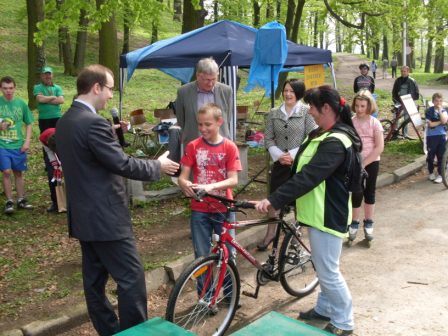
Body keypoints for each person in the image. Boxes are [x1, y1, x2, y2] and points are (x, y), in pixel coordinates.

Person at [55, 64, 179, 336]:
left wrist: (109, 135)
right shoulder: (93, 123)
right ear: (96, 87)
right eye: (110, 88)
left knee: (94, 282)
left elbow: (87, 159)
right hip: (106, 218)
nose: (111, 96)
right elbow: (122, 164)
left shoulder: (65, 121)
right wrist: (157, 166)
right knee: (131, 280)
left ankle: (109, 331)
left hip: (84, 218)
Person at [254, 86, 359, 335]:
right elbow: (300, 170)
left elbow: (310, 177)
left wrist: (275, 200)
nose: (309, 110)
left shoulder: (336, 141)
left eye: (312, 106)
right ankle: (324, 309)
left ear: (326, 108)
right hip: (315, 214)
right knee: (321, 266)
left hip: (328, 215)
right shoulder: (319, 134)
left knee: (329, 271)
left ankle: (344, 322)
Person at [257, 79, 316, 251]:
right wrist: (279, 155)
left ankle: (296, 237)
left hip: (299, 163)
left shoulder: (306, 112)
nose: (288, 94)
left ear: (298, 93)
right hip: (280, 163)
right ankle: (271, 233)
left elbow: (312, 136)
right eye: (286, 90)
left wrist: (292, 155)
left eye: (292, 91)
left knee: (298, 202)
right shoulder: (274, 113)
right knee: (274, 200)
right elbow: (268, 139)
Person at [178, 103, 241, 261]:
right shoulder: (193, 146)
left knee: (227, 255)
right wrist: (183, 183)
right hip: (200, 208)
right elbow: (182, 177)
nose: (203, 128)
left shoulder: (229, 147)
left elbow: (233, 180)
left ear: (219, 122)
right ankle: (205, 287)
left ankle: (229, 286)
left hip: (224, 207)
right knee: (201, 256)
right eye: (200, 124)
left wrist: (210, 186)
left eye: (208, 124)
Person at [348, 90, 384, 243]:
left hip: (372, 161)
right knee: (356, 191)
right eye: (357, 106)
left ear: (369, 106)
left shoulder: (374, 123)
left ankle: (368, 222)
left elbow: (379, 147)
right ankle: (354, 221)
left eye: (362, 106)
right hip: (355, 162)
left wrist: (365, 163)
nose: (359, 109)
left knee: (369, 191)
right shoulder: (351, 122)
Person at [176, 57, 233, 147]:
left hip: (220, 143)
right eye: (207, 80)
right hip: (194, 143)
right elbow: (181, 119)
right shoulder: (183, 92)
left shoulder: (226, 91)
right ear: (198, 75)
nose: (210, 83)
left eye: (214, 79)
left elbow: (228, 116)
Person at [0, 76, 34, 214]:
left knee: (18, 173)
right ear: (1, 89)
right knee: (7, 172)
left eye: (10, 88)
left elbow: (29, 123)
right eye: (5, 88)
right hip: (2, 145)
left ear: (15, 88)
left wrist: (27, 141)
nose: (8, 91)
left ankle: (21, 199)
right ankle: (9, 201)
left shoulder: (21, 104)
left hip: (18, 145)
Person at [34, 66, 65, 212]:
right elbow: (40, 99)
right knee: (49, 147)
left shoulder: (57, 87)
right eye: (45, 75)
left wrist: (49, 99)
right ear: (41, 76)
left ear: (52, 75)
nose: (47, 77)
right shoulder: (37, 87)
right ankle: (49, 162)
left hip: (57, 119)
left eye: (49, 75)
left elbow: (61, 101)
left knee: (60, 145)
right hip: (44, 120)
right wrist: (52, 98)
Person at [38, 128, 64, 212]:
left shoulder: (65, 136)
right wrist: (56, 167)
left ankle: (70, 201)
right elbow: (49, 153)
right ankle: (56, 203)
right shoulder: (43, 138)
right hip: (50, 155)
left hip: (65, 152)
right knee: (52, 177)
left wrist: (63, 166)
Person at [425, 93, 447, 184]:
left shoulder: (444, 110)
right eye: (437, 101)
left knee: (441, 156)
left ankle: (440, 174)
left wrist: (440, 111)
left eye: (440, 101)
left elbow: (444, 121)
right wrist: (440, 122)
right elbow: (430, 125)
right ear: (433, 101)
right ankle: (431, 172)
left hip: (441, 135)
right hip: (431, 136)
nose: (438, 102)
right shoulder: (429, 111)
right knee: (431, 156)